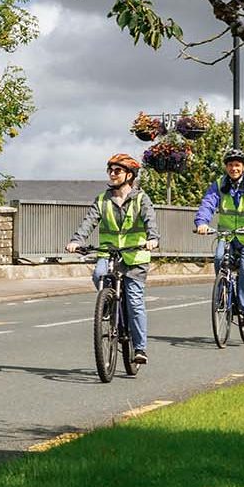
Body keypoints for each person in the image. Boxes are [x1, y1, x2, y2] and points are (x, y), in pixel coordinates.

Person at [65, 153, 161, 364]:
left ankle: (139, 348)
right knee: (99, 274)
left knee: (135, 302)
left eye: (117, 170)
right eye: (110, 170)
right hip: (108, 253)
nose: (112, 174)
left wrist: (153, 238)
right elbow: (88, 222)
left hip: (135, 255)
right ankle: (108, 305)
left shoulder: (141, 199)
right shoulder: (102, 199)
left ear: (129, 175)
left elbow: (150, 222)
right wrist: (76, 240)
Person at [193, 147, 244, 327]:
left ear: (243, 167)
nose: (233, 168)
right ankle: (225, 297)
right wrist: (201, 223)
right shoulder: (219, 184)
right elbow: (208, 204)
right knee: (219, 259)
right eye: (230, 165)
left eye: (237, 165)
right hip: (227, 235)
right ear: (226, 167)